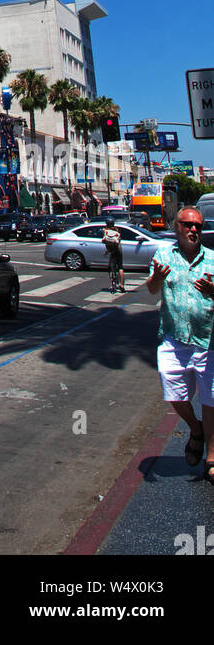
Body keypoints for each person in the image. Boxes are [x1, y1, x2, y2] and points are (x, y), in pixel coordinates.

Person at [147, 206, 214, 482]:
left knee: (210, 399)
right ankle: (195, 429)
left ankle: (211, 457)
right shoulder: (163, 255)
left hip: (208, 340)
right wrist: (158, 278)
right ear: (177, 227)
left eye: (197, 225)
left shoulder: (212, 259)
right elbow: (152, 289)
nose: (193, 230)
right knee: (174, 393)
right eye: (187, 225)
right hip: (174, 339)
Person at [103, 218, 125, 293]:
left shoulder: (105, 230)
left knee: (110, 266)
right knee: (120, 266)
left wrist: (107, 250)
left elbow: (106, 242)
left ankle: (113, 278)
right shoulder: (117, 230)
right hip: (118, 249)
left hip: (110, 249)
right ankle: (122, 285)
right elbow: (119, 240)